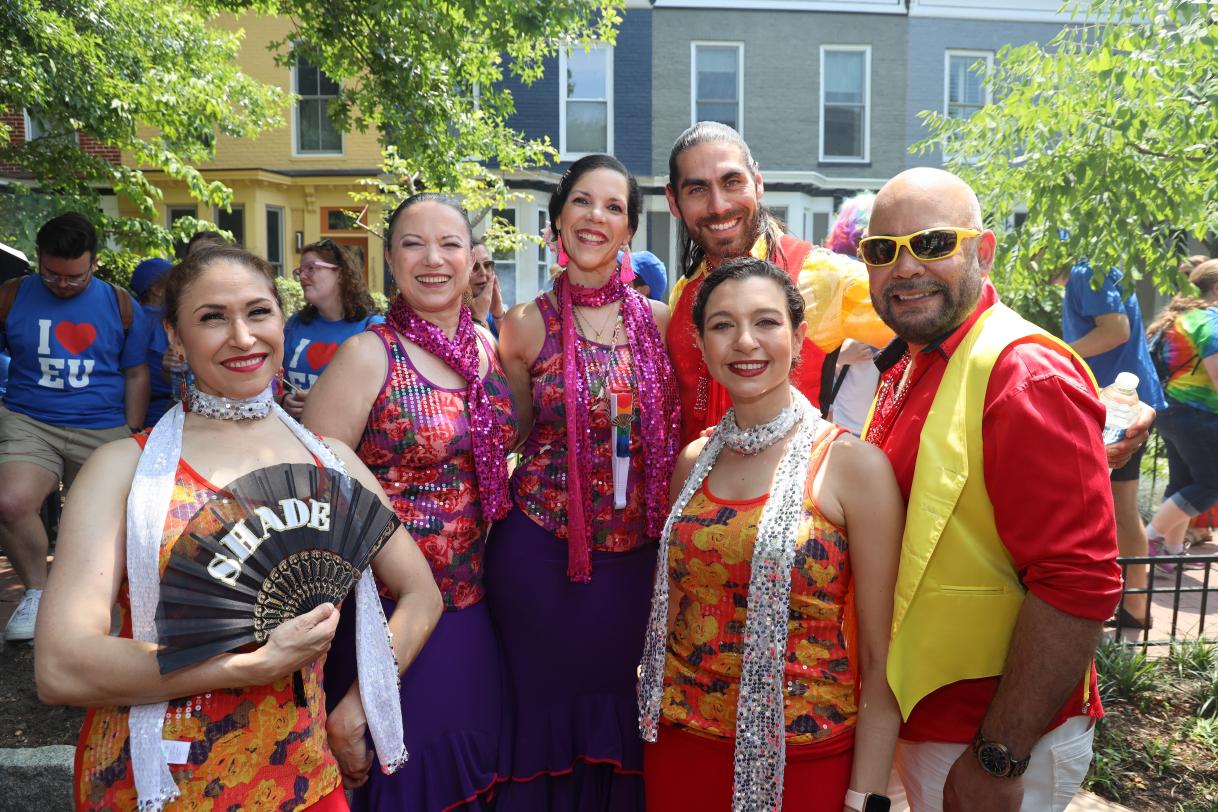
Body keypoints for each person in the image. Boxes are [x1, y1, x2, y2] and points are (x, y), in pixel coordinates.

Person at [33, 245, 442, 811]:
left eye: (258, 312)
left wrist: (359, 702)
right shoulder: (124, 469)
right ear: (175, 339)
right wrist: (249, 667)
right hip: (159, 785)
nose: (243, 337)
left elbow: (422, 595)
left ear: (281, 320)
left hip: (306, 782)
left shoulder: (331, 463)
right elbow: (60, 667)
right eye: (211, 318)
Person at [858, 168, 1138, 811]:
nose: (904, 269)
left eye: (930, 243)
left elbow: (1079, 580)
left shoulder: (1022, 374)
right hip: (925, 722)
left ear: (982, 251)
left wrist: (999, 757)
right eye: (882, 251)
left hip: (986, 740)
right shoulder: (919, 359)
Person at [637, 257, 902, 812]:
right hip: (680, 745)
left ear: (800, 336)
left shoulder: (853, 466)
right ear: (703, 346)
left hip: (806, 758)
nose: (745, 342)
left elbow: (883, 662)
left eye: (766, 322)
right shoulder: (693, 462)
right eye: (723, 325)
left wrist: (866, 797)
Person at [303, 194, 516, 811]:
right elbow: (317, 481)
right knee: (401, 784)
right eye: (413, 244)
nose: (433, 259)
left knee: (466, 773)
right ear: (389, 260)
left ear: (473, 260)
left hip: (473, 606)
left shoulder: (485, 349)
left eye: (449, 244)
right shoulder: (369, 355)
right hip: (386, 611)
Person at [490, 154, 680, 811]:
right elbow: (509, 436)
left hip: (635, 561)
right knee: (544, 722)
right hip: (541, 558)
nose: (596, 216)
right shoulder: (522, 326)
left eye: (613, 207)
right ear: (557, 219)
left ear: (630, 229)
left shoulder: (660, 326)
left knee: (624, 723)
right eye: (582, 202)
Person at [664, 121, 893, 445]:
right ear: (674, 201)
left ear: (757, 183)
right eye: (697, 190)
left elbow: (930, 336)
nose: (718, 206)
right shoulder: (682, 293)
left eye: (732, 183)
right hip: (694, 488)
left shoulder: (820, 275)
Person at [0, 213, 152, 642]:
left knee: (107, 523)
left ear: (95, 263)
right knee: (9, 502)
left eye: (75, 276)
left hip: (102, 425)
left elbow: (137, 372)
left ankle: (94, 609)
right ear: (38, 259)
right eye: (52, 274)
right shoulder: (11, 295)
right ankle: (37, 593)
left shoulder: (121, 304)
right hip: (31, 419)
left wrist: (131, 429)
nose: (63, 284)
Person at [1059, 257, 1167, 628]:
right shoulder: (1091, 268)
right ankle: (1131, 606)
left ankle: (1131, 606)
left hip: (1121, 407)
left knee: (1117, 508)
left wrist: (1056, 353)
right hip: (1118, 403)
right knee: (1117, 507)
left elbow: (1116, 330)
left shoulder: (1085, 270)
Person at [1144, 259, 1218, 572]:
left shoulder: (1181, 316)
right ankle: (1150, 540)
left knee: (1184, 481)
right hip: (1197, 414)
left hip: (1170, 411)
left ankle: (1170, 554)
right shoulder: (1210, 320)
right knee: (1211, 484)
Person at [282, 239, 384, 418]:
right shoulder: (294, 324)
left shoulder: (373, 328)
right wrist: (283, 399)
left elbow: (384, 396)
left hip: (344, 442)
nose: (302, 277)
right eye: (300, 271)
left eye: (311, 268)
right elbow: (271, 378)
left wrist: (324, 402)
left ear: (340, 274)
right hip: (295, 440)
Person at [824, 193, 882, 436]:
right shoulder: (836, 280)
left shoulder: (888, 282)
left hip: (872, 419)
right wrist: (839, 357)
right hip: (844, 418)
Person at [130, 257, 179, 427]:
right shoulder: (158, 321)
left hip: (137, 406)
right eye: (173, 283)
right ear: (157, 290)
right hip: (163, 408)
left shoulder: (134, 316)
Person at [468, 239, 506, 335]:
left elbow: (514, 347)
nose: (483, 273)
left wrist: (498, 313)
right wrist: (478, 317)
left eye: (487, 265)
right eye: (474, 267)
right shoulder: (450, 316)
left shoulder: (490, 312)